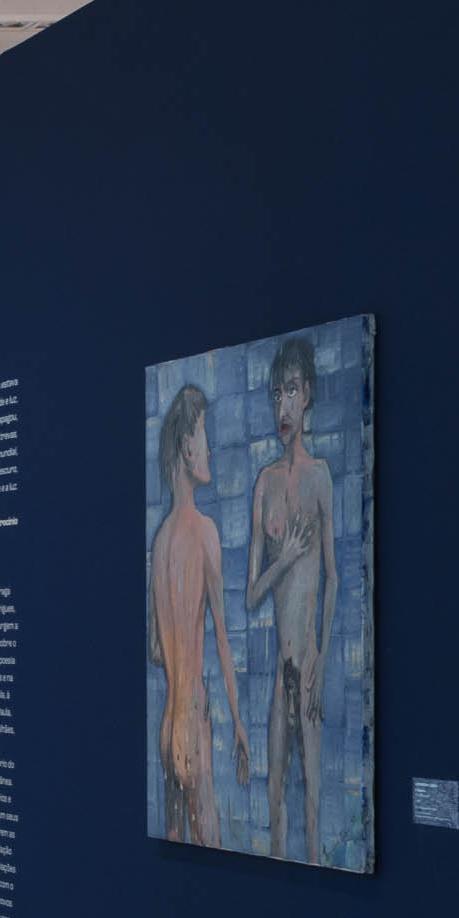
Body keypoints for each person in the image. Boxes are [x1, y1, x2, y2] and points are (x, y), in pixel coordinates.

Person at [246, 337, 339, 863]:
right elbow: (253, 593)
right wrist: (284, 558)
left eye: (291, 392)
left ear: (307, 396)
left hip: (307, 670)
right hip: (280, 677)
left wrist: (323, 661)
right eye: (275, 394)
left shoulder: (321, 477)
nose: (282, 407)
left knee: (311, 805)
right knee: (275, 797)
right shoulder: (263, 483)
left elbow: (332, 576)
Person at [151, 383, 249, 844]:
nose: (209, 447)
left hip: (168, 726)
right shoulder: (204, 532)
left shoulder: (160, 542)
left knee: (172, 853)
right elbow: (223, 641)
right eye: (204, 434)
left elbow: (155, 649)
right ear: (188, 445)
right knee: (211, 847)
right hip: (193, 716)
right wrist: (239, 724)